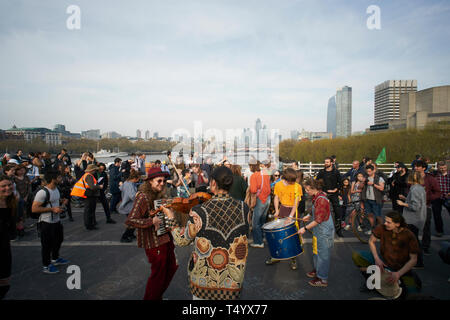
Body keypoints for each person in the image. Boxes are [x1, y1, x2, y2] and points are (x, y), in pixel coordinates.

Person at [165, 166, 250, 300]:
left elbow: (181, 240)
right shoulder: (244, 208)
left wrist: (171, 219)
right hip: (232, 284)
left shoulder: (199, 211)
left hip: (203, 284)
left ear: (213, 183)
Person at [124, 167, 177, 300]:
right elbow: (130, 220)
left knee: (172, 267)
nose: (162, 183)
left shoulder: (159, 195)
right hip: (153, 242)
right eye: (159, 181)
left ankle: (157, 295)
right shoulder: (143, 197)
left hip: (165, 238)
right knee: (158, 274)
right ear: (150, 182)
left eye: (164, 181)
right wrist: (151, 221)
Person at [352, 211, 422, 298]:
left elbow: (414, 260)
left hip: (401, 268)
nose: (385, 223)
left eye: (388, 222)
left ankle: (402, 279)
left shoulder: (409, 235)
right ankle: (372, 282)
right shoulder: (382, 228)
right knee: (356, 256)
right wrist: (377, 259)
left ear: (397, 224)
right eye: (385, 221)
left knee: (413, 294)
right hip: (384, 261)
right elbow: (371, 241)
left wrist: (398, 274)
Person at [298, 178, 335, 287]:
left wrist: (304, 229)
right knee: (316, 251)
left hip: (324, 231)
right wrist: (308, 216)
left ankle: (322, 279)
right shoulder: (317, 196)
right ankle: (318, 270)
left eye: (307, 189)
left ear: (312, 188)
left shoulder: (321, 199)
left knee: (323, 254)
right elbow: (316, 212)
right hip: (319, 230)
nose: (306, 192)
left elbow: (318, 220)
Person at [32, 169, 70, 274]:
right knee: (46, 245)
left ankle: (55, 258)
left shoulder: (56, 189)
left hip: (56, 221)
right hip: (46, 222)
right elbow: (34, 208)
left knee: (59, 240)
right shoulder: (42, 192)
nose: (61, 179)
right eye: (59, 177)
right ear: (53, 179)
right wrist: (52, 209)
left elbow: (54, 201)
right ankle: (46, 265)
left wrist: (62, 201)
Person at [266, 168, 302, 270]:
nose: (293, 182)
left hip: (293, 211)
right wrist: (277, 210)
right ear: (285, 178)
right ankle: (276, 256)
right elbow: (276, 197)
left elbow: (296, 203)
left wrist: (291, 216)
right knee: (278, 234)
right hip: (282, 209)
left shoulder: (297, 186)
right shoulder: (278, 185)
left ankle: (293, 259)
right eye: (291, 180)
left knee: (292, 235)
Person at [396, 171, 426, 268]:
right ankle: (416, 260)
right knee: (414, 240)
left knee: (413, 242)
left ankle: (417, 261)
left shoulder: (415, 189)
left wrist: (402, 203)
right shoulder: (419, 188)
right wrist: (405, 198)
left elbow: (415, 206)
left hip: (413, 219)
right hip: (416, 218)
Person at [414, 160, 441, 255]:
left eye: (418, 166)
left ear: (424, 168)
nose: (415, 168)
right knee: (413, 228)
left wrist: (428, 198)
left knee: (426, 228)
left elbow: (438, 192)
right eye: (415, 166)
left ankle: (425, 247)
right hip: (413, 207)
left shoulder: (430, 179)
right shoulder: (412, 177)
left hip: (425, 206)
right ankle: (415, 247)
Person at [316, 157, 343, 237]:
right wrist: (322, 191)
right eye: (325, 162)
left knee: (337, 211)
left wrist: (336, 189)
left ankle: (338, 230)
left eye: (327, 162)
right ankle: (321, 229)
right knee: (322, 210)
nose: (326, 163)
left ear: (331, 163)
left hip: (334, 194)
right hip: (324, 193)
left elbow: (340, 183)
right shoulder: (321, 172)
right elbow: (317, 182)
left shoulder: (336, 172)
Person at [71, 164, 102, 230]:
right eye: (94, 170)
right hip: (90, 195)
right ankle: (89, 225)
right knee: (89, 210)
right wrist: (99, 186)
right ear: (92, 170)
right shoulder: (89, 176)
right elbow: (92, 187)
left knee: (88, 210)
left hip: (87, 194)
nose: (95, 171)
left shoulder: (86, 175)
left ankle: (89, 224)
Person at [0, 175, 17, 299]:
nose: (7, 188)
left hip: (4, 245)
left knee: (5, 281)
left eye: (9, 185)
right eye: (3, 186)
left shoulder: (11, 201)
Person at [248, 160, 271, 249]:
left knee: (255, 223)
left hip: (260, 199)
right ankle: (263, 237)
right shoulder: (265, 173)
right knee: (262, 221)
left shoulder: (254, 176)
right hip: (267, 198)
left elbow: (253, 190)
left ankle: (258, 242)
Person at [361, 164, 385, 234]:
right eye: (367, 171)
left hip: (376, 199)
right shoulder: (365, 178)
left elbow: (382, 188)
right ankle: (372, 229)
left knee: (378, 215)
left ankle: (382, 229)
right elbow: (360, 187)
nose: (368, 173)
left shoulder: (379, 178)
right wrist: (362, 181)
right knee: (369, 215)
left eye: (369, 171)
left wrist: (373, 184)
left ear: (373, 171)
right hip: (367, 199)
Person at [119, 169, 141, 243]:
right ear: (135, 178)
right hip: (129, 206)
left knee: (133, 222)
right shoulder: (130, 185)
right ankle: (124, 237)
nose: (138, 180)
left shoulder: (127, 182)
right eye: (138, 179)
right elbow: (133, 196)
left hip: (127, 206)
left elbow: (121, 188)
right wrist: (138, 194)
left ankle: (130, 234)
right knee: (132, 223)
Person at [432, 161, 449, 237]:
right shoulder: (435, 175)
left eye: (444, 168)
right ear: (438, 168)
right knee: (437, 215)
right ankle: (439, 231)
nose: (443, 169)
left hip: (448, 197)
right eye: (441, 168)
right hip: (437, 197)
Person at [14, 164, 31, 237]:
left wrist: (27, 196)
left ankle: (22, 227)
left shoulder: (26, 177)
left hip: (25, 197)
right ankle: (18, 229)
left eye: (23, 170)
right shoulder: (14, 178)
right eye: (20, 170)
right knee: (18, 213)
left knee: (24, 212)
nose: (22, 171)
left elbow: (29, 187)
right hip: (17, 198)